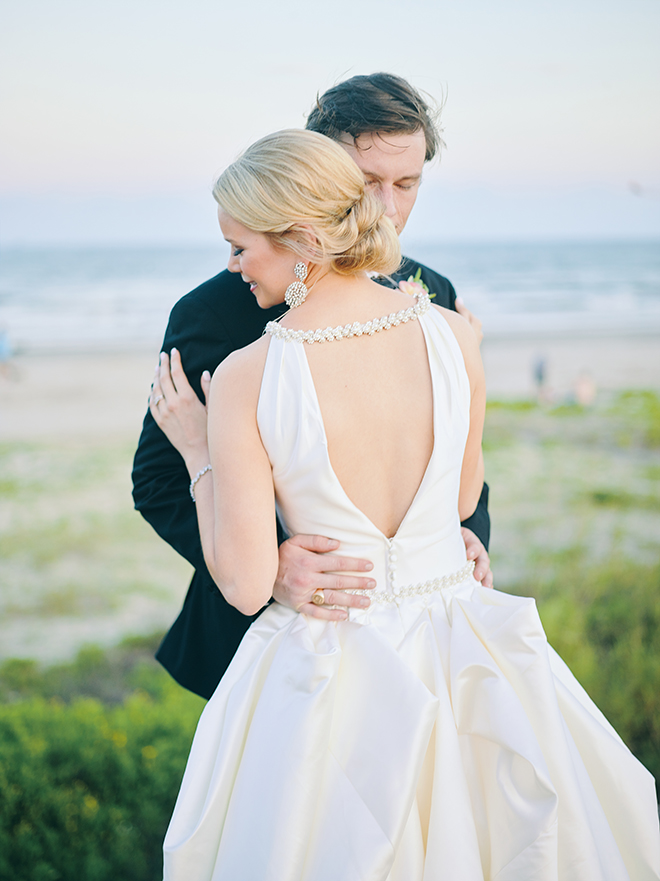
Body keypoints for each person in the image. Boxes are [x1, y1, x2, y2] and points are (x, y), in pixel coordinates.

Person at [153, 129, 659, 880]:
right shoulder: (456, 335)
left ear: (298, 239)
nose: (233, 268)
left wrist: (197, 453)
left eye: (239, 246)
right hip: (464, 651)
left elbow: (245, 582)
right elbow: (461, 500)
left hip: (331, 674)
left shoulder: (246, 375)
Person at [132, 73, 491, 701]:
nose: (384, 208)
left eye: (406, 185)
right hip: (280, 648)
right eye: (365, 183)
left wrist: (465, 538)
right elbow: (156, 480)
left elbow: (455, 459)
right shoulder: (214, 314)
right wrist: (274, 566)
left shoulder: (438, 297)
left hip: (434, 625)